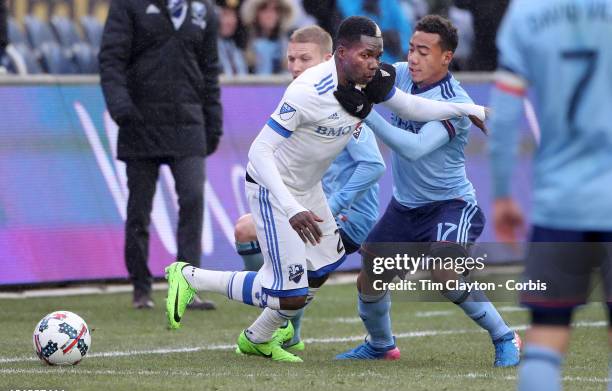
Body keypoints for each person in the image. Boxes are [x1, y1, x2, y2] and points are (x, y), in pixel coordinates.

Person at [165, 15, 487, 363]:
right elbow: (259, 152)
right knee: (289, 294)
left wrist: (469, 108)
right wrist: (292, 208)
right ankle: (190, 277)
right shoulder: (307, 91)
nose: (374, 64)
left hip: (308, 189)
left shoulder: (368, 80)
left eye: (378, 56)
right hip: (274, 189)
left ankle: (258, 337)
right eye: (366, 56)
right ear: (342, 52)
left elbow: (411, 106)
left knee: (321, 268)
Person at [335, 15, 520, 367]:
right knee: (370, 274)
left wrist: (368, 113)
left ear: (446, 58)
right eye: (411, 49)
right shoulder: (400, 73)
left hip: (451, 205)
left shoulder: (454, 101)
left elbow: (414, 148)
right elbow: (363, 75)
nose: (414, 58)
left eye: (424, 51)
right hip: (405, 208)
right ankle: (380, 344)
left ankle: (505, 336)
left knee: (444, 269)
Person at [488, 0, 612, 391]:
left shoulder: (526, 13)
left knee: (545, 339)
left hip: (560, 202)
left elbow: (505, 114)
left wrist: (503, 192)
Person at [233, 25, 386, 351]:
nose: (296, 66)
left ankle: (277, 323)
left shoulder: (345, 101)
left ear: (331, 59)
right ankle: (282, 326)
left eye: (305, 58)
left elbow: (373, 164)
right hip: (312, 203)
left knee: (289, 274)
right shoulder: (306, 96)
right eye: (291, 58)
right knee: (261, 245)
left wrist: (334, 204)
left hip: (346, 216)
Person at [99, 0, 222, 309]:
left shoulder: (204, 11)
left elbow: (210, 71)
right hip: (140, 121)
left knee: (193, 200)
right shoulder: (129, 5)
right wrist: (120, 107)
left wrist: (214, 122)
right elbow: (111, 60)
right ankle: (141, 288)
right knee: (140, 210)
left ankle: (186, 288)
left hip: (189, 123)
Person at [240, 0, 295, 74]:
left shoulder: (289, 43)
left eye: (275, 10)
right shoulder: (244, 42)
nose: (270, 15)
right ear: (256, 13)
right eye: (264, 9)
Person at [217, 0, 249, 76]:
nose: (229, 21)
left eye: (233, 16)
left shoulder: (239, 47)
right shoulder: (207, 48)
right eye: (225, 15)